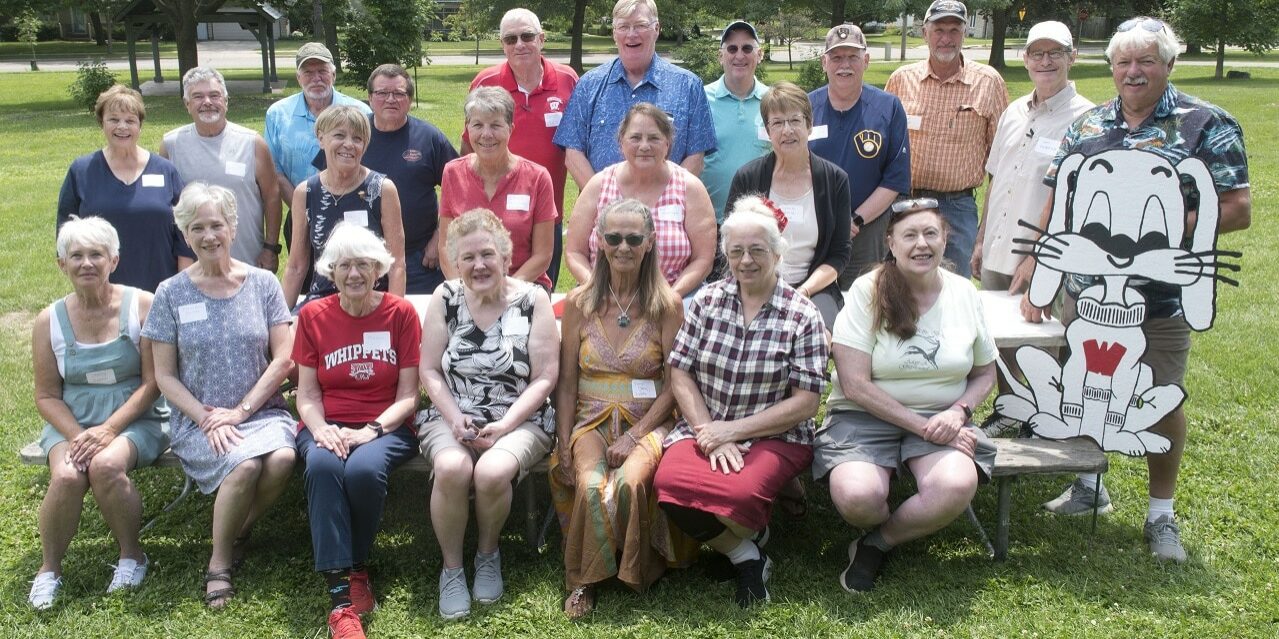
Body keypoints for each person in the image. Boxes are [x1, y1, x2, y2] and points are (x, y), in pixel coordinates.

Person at [1028, 17, 1251, 562]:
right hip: (1085, 296)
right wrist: (1037, 269)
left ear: (1169, 65)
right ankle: (1089, 485)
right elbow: (1060, 201)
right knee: (1085, 388)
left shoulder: (1206, 123)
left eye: (1146, 61)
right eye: (1124, 62)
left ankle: (1161, 514)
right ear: (1111, 67)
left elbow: (1238, 208)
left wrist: (1154, 234)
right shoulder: (1088, 127)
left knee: (1162, 397)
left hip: (1163, 298)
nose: (1134, 72)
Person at [813, 197, 997, 593]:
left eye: (931, 233)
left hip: (941, 415)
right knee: (858, 498)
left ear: (946, 240)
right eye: (909, 235)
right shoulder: (867, 291)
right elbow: (855, 382)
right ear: (891, 244)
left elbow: (985, 373)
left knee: (954, 487)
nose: (921, 244)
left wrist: (959, 411)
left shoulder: (965, 292)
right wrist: (926, 426)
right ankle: (876, 518)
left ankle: (878, 542)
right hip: (865, 416)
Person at [652, 205, 828, 608]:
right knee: (669, 487)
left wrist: (733, 431)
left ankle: (748, 536)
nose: (745, 261)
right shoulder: (706, 301)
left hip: (776, 434)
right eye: (735, 252)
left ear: (778, 253)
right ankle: (747, 553)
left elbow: (806, 403)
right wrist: (709, 433)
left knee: (740, 496)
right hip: (705, 426)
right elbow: (679, 372)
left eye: (757, 250)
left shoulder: (802, 315)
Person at [143, 183, 298, 608]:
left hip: (260, 410)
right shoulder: (170, 293)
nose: (209, 236)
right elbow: (164, 376)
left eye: (216, 225)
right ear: (185, 235)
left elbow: (283, 358)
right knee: (245, 467)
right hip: (200, 418)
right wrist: (208, 416)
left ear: (232, 227)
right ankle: (220, 560)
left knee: (283, 458)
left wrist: (242, 410)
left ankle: (237, 528)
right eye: (197, 228)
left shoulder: (263, 283)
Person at [550, 199, 690, 619]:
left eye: (633, 238)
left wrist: (635, 434)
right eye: (613, 237)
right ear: (599, 241)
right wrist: (563, 438)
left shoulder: (668, 305)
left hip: (650, 419)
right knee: (591, 484)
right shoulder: (578, 303)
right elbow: (568, 381)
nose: (623, 247)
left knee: (631, 481)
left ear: (650, 243)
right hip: (590, 419)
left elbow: (675, 383)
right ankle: (583, 581)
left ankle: (638, 567)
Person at [419, 209, 558, 620]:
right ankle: (451, 569)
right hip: (452, 414)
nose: (479, 265)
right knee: (450, 468)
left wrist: (504, 425)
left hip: (520, 417)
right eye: (468, 258)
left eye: (487, 255)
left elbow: (545, 377)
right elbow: (428, 369)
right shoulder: (445, 297)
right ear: (456, 264)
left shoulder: (534, 300)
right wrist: (455, 417)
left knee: (492, 472)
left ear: (505, 256)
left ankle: (487, 554)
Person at [27, 217, 171, 610]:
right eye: (76, 255)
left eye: (96, 254)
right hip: (72, 424)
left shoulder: (141, 305)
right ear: (62, 264)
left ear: (114, 260)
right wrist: (79, 435)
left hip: (136, 419)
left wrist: (108, 430)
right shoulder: (48, 321)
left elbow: (152, 382)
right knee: (67, 474)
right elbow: (46, 395)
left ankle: (131, 555)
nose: (86, 263)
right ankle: (49, 569)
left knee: (106, 466)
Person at [292, 223, 422, 639]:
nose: (354, 274)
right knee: (323, 466)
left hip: (386, 425)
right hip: (325, 423)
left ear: (379, 269)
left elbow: (408, 396)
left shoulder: (400, 314)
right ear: (332, 271)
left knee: (363, 471)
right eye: (344, 265)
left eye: (364, 265)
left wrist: (372, 429)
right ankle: (340, 603)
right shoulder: (313, 316)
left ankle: (357, 564)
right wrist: (321, 430)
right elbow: (307, 393)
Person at [970, 21, 1093, 432]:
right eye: (1037, 53)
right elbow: (996, 179)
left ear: (1072, 58)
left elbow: (1079, 203)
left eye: (1055, 53)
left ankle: (1052, 417)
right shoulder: (1013, 111)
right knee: (1000, 340)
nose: (1045, 61)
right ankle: (1009, 409)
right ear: (1025, 59)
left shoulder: (1087, 120)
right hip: (999, 249)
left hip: (1048, 256)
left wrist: (1039, 259)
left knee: (1048, 341)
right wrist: (982, 239)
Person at [885, 0, 1008, 278]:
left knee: (955, 289)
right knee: (901, 288)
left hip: (958, 208)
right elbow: (883, 150)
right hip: (907, 202)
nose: (946, 38)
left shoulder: (989, 82)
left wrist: (987, 228)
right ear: (925, 33)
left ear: (964, 34)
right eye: (939, 29)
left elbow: (1000, 164)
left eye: (954, 30)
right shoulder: (901, 80)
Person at [316, 63, 456, 294]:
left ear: (410, 100)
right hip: (356, 262)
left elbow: (458, 190)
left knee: (412, 324)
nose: (391, 99)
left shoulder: (429, 138)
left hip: (418, 259)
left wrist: (439, 238)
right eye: (382, 93)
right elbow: (324, 186)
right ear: (370, 98)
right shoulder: (352, 136)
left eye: (399, 93)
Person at [466, 8, 578, 287]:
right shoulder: (485, 82)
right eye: (510, 39)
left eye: (527, 36)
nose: (519, 44)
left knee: (538, 294)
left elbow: (578, 147)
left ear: (542, 38)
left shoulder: (567, 80)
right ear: (502, 44)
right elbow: (469, 146)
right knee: (487, 291)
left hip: (546, 212)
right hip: (494, 213)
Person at [726, 81, 852, 326]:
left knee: (820, 335)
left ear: (809, 125)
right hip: (755, 282)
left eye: (795, 121)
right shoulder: (748, 178)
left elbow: (839, 254)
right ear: (767, 130)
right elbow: (731, 242)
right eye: (778, 123)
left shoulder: (835, 180)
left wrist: (802, 293)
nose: (787, 131)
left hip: (814, 288)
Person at [554, 0, 716, 187]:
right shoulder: (588, 85)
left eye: (640, 25)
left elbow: (696, 157)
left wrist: (663, 200)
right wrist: (605, 200)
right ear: (615, 34)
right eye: (623, 26)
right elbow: (573, 153)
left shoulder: (688, 86)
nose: (631, 34)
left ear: (656, 29)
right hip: (603, 211)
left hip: (665, 212)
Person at [564, 103, 716, 299]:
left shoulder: (690, 188)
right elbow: (574, 252)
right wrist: (597, 290)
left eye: (654, 138)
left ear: (667, 144)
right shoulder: (598, 184)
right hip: (603, 298)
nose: (644, 146)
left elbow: (703, 259)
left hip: (674, 300)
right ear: (621, 142)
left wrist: (669, 298)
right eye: (635, 138)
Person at [57, 85, 190, 293]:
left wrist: (182, 286)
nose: (122, 127)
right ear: (102, 123)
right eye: (114, 119)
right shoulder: (81, 171)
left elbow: (185, 233)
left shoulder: (165, 170)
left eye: (130, 120)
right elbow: (65, 236)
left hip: (161, 288)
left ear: (140, 125)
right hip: (102, 293)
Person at [809, 23, 911, 285]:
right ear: (824, 62)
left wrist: (854, 220)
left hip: (867, 228)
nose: (845, 65)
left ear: (866, 60)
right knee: (816, 302)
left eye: (853, 57)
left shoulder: (888, 107)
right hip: (814, 228)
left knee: (866, 302)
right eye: (837, 57)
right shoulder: (806, 107)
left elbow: (895, 179)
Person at [282, 105, 406, 307]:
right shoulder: (305, 193)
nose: (349, 144)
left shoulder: (382, 190)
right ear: (321, 139)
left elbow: (397, 264)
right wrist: (280, 321)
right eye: (339, 135)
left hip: (371, 301)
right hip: (323, 300)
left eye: (357, 139)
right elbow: (296, 266)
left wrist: (395, 314)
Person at [161, 66, 282, 271]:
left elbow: (272, 196)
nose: (207, 102)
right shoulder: (171, 145)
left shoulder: (252, 143)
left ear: (226, 101)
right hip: (193, 265)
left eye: (214, 95)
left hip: (247, 261)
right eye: (198, 96)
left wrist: (270, 248)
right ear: (187, 104)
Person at [439, 87, 557, 290]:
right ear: (468, 129)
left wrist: (503, 291)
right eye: (478, 125)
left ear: (511, 128)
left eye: (495, 125)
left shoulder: (537, 177)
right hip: (469, 288)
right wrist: (463, 290)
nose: (486, 134)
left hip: (524, 287)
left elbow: (543, 255)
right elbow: (445, 247)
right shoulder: (452, 173)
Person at [264, 43, 371, 247]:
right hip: (300, 214)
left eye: (322, 71)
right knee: (302, 272)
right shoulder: (278, 114)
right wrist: (303, 207)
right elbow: (275, 172)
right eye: (308, 72)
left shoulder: (360, 112)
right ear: (298, 78)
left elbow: (370, 163)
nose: (316, 78)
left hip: (352, 213)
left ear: (333, 75)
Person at [703, 20, 770, 222]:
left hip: (760, 223)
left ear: (759, 55)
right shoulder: (700, 99)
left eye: (747, 48)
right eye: (732, 48)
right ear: (720, 56)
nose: (739, 55)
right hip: (709, 223)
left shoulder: (773, 102)